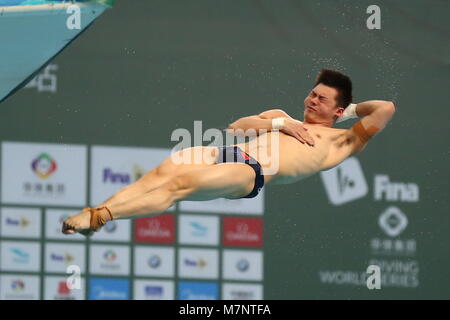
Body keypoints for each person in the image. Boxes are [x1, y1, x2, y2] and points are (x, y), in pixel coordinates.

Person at [62, 69, 396, 236]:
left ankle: (100, 217)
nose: (312, 100)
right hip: (227, 151)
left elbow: (385, 108)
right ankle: (98, 213)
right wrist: (280, 124)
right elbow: (237, 127)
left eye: (322, 99)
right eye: (312, 93)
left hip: (251, 171)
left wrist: (350, 110)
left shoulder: (340, 143)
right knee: (160, 174)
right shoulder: (281, 116)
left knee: (177, 187)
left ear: (339, 111)